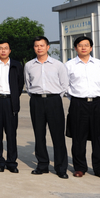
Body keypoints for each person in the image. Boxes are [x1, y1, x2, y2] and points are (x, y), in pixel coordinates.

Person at [65, 36, 100, 180]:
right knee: (79, 137)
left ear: (91, 48)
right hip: (78, 104)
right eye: (80, 45)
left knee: (99, 137)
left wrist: (95, 95)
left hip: (96, 103)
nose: (83, 47)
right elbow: (65, 85)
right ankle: (80, 168)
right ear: (75, 48)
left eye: (86, 45)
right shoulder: (69, 65)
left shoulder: (98, 64)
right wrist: (76, 98)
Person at [24, 36, 69, 178]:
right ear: (34, 48)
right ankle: (42, 165)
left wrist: (55, 97)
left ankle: (61, 168)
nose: (39, 48)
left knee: (58, 135)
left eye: (42, 45)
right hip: (36, 101)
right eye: (36, 45)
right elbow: (28, 85)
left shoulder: (58, 65)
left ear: (48, 47)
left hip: (54, 101)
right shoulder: (29, 65)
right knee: (39, 134)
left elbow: (64, 85)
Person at [0, 40, 25, 173]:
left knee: (11, 133)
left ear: (10, 50)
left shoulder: (16, 65)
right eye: (0, 48)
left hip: (10, 101)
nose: (3, 50)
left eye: (5, 48)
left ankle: (12, 162)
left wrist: (14, 97)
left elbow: (20, 84)